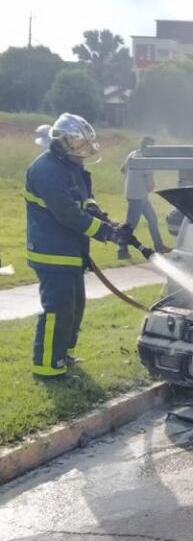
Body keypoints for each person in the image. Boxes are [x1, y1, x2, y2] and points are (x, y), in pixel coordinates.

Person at [24, 113, 133, 379]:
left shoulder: (72, 167)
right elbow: (68, 214)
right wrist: (107, 233)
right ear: (63, 144)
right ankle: (47, 368)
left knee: (74, 307)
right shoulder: (46, 170)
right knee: (58, 309)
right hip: (51, 252)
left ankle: (62, 354)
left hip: (71, 251)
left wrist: (107, 220)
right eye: (79, 150)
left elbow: (86, 201)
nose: (82, 156)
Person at [118, 136, 169, 260]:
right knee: (130, 226)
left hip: (135, 194)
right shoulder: (146, 160)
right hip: (138, 197)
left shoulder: (133, 154)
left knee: (152, 219)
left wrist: (134, 180)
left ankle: (159, 247)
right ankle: (122, 251)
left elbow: (122, 169)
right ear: (149, 148)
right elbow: (150, 186)